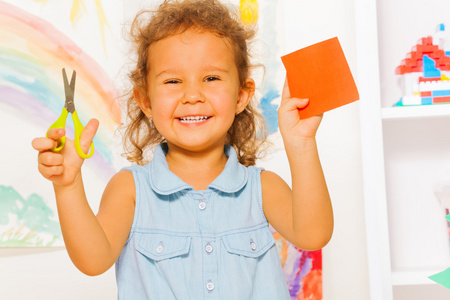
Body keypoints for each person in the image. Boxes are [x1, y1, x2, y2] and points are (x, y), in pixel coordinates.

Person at [32, 0, 333, 298]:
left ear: (242, 95)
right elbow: (93, 261)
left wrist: (302, 144)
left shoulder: (262, 188)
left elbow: (313, 235)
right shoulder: (130, 190)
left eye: (211, 78)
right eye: (173, 80)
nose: (192, 95)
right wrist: (68, 186)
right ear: (145, 100)